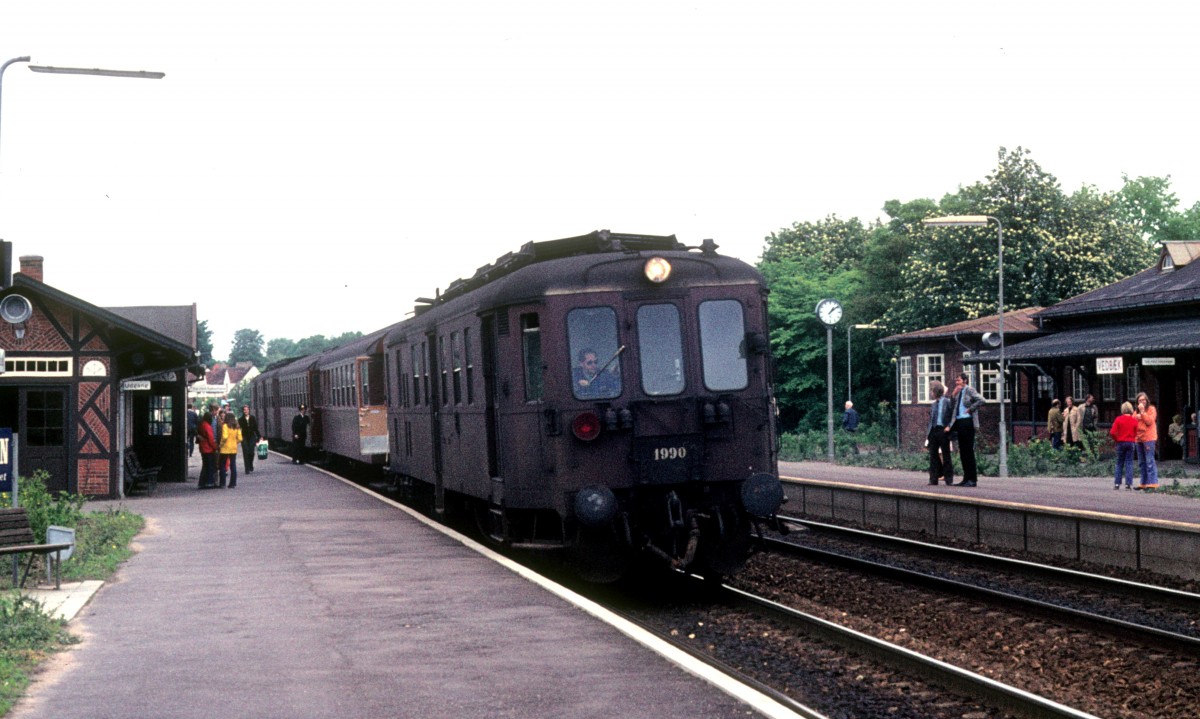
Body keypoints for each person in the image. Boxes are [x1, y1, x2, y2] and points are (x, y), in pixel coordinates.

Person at [950, 372, 985, 487]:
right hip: (959, 422)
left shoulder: (969, 389)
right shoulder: (958, 392)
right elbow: (953, 407)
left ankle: (972, 479)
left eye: (958, 380)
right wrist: (953, 395)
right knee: (963, 452)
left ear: (964, 380)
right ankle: (966, 478)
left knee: (968, 451)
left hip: (967, 422)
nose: (957, 382)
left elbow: (981, 400)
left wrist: (971, 409)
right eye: (956, 380)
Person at [926, 380, 955, 486]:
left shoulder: (947, 402)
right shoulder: (933, 405)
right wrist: (928, 434)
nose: (930, 393)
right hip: (934, 431)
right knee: (933, 455)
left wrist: (949, 426)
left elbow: (953, 415)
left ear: (935, 391)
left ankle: (949, 479)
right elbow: (931, 420)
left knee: (946, 455)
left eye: (931, 391)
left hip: (943, 430)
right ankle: (933, 479)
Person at [1109, 401, 1137, 490]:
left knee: (1119, 463)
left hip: (1121, 442)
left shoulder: (1118, 419)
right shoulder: (1134, 420)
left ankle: (1117, 483)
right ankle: (1128, 484)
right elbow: (1136, 432)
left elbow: (1112, 432)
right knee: (1129, 463)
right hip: (1130, 442)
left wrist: (1117, 439)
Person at [1133, 391, 1159, 490]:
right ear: (1137, 402)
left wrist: (1143, 413)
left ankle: (1153, 482)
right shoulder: (1135, 412)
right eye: (1140, 400)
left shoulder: (1151, 409)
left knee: (1149, 460)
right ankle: (1143, 482)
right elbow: (1132, 422)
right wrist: (1137, 417)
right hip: (1138, 439)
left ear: (1147, 400)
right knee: (1141, 462)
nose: (1142, 402)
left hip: (1149, 438)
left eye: (1143, 400)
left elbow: (1149, 421)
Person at [219, 413, 242, 488]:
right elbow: (240, 438)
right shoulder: (237, 426)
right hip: (233, 448)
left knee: (222, 465)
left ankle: (222, 483)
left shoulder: (225, 426)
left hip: (225, 448)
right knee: (233, 465)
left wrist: (221, 444)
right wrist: (235, 443)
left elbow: (225, 437)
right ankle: (233, 483)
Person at [196, 411, 218, 489]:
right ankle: (209, 482)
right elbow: (211, 439)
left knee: (205, 466)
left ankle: (202, 483)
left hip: (203, 448)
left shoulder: (201, 424)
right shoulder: (208, 426)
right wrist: (215, 447)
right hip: (208, 449)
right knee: (209, 466)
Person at [238, 405, 260, 473]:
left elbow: (256, 428)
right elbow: (239, 429)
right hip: (244, 436)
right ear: (243, 411)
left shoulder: (252, 418)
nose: (246, 411)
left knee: (251, 452)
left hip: (251, 437)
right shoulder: (240, 419)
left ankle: (250, 464)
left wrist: (259, 436)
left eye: (247, 410)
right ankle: (247, 468)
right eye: (244, 410)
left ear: (249, 410)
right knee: (245, 452)